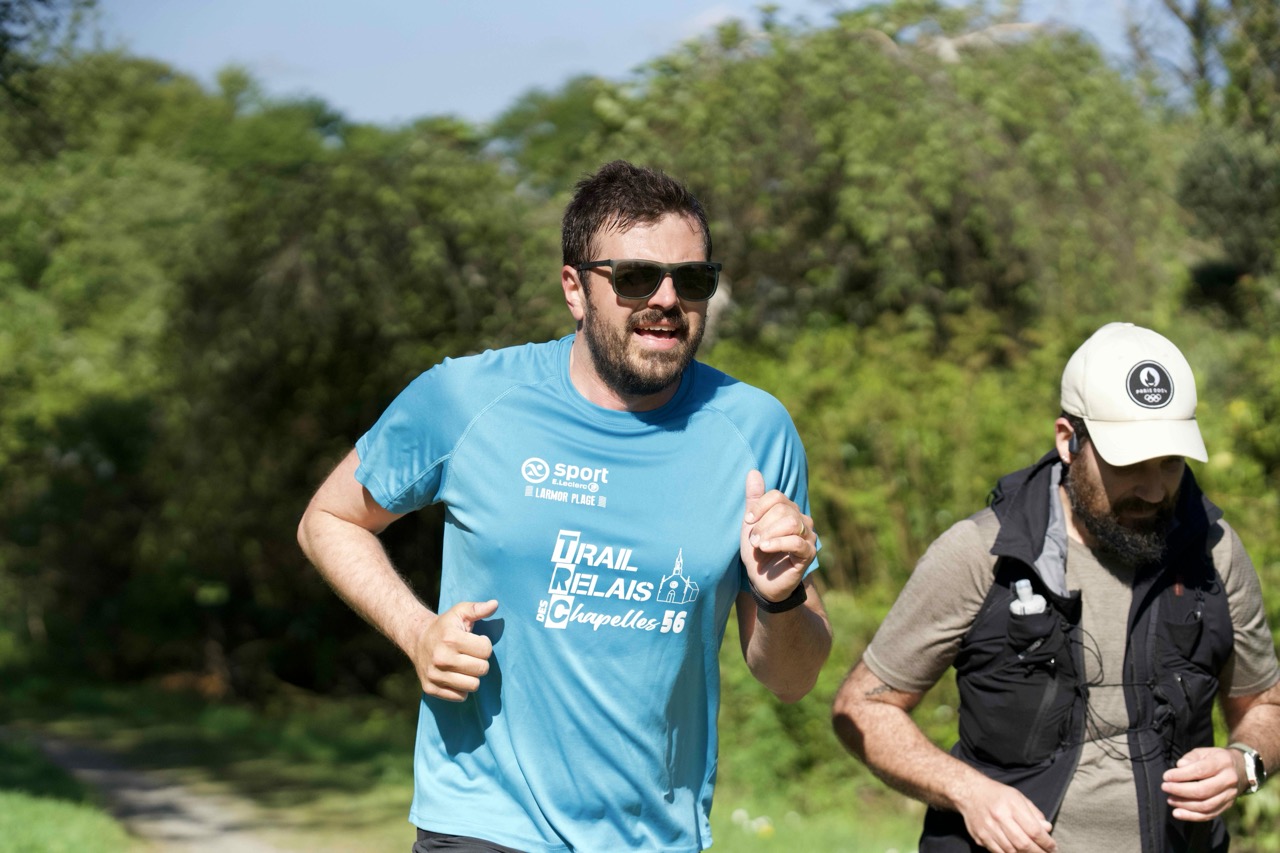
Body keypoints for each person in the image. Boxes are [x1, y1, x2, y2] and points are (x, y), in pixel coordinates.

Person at [297, 160, 832, 852]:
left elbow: (791, 679)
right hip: (483, 823)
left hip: (657, 837)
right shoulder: (467, 399)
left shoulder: (754, 429)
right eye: (636, 277)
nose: (667, 299)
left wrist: (783, 598)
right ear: (575, 289)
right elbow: (330, 519)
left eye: (692, 279)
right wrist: (416, 631)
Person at [832, 322, 1279, 853]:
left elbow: (1265, 705)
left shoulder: (1215, 553)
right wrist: (969, 792)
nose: (1154, 489)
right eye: (1130, 464)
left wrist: (1244, 762)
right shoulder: (981, 554)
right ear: (1068, 440)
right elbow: (864, 708)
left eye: (1170, 463)